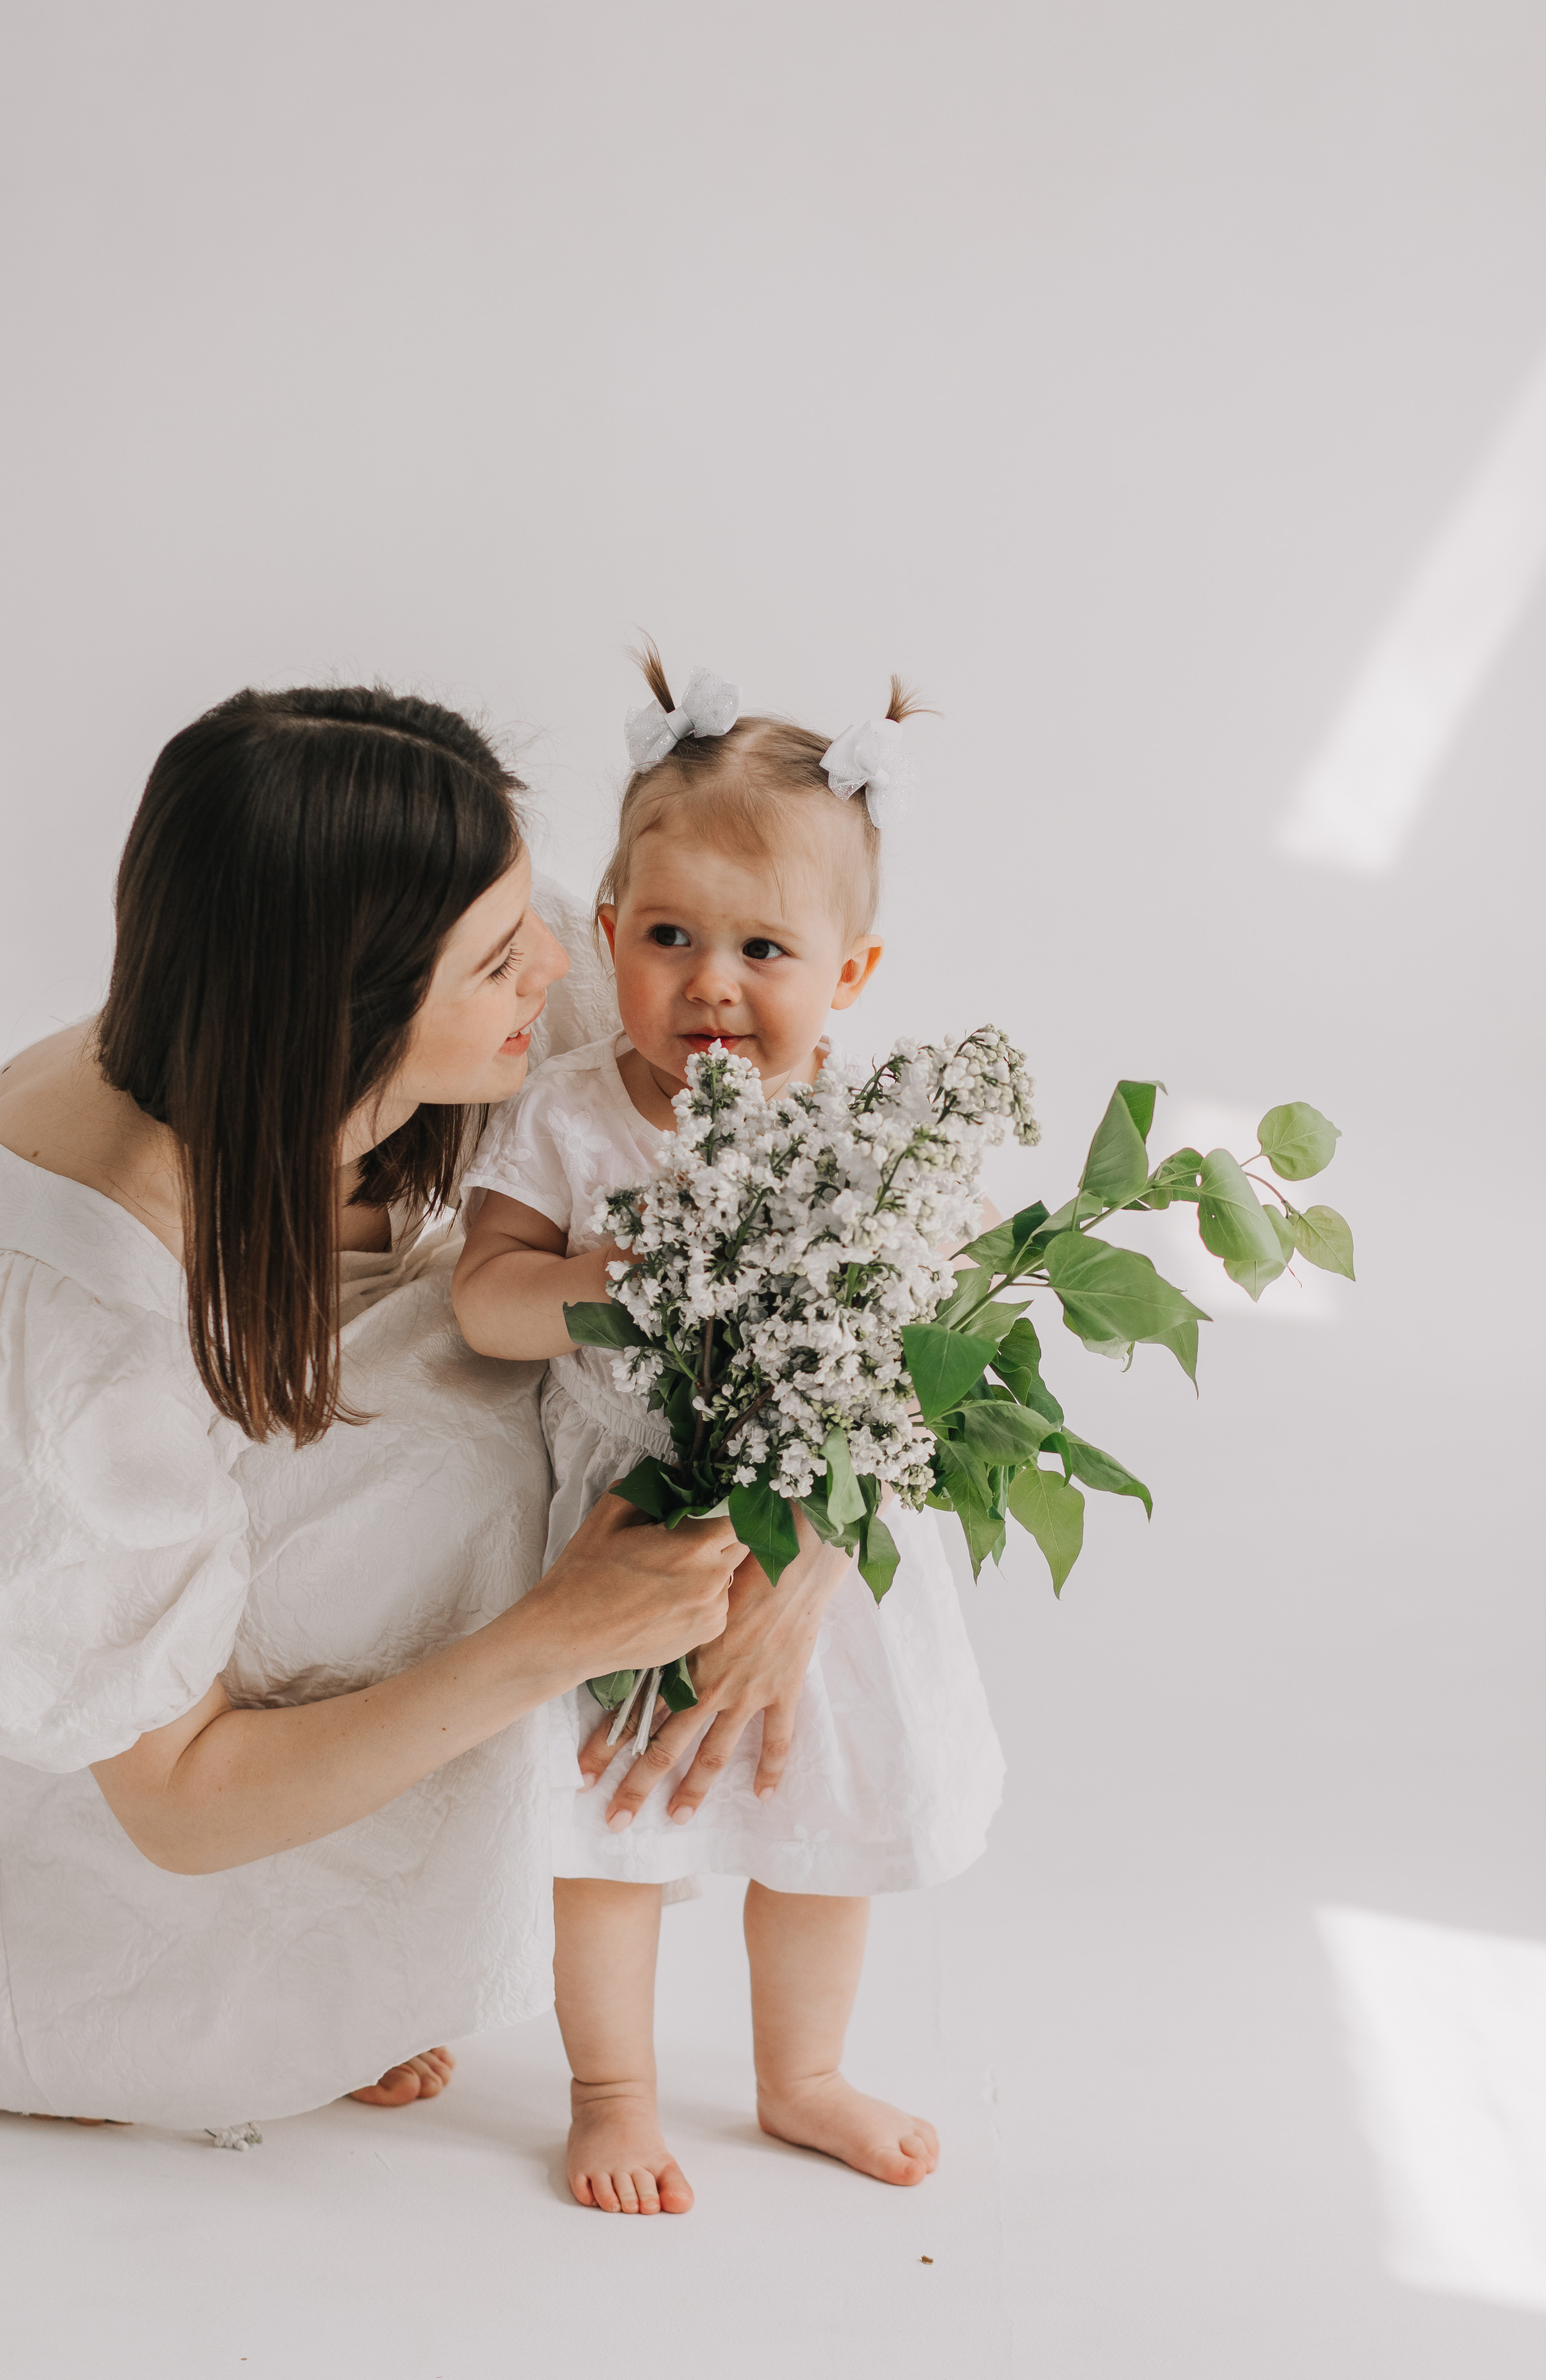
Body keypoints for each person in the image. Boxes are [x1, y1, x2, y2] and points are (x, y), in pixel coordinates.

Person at [0, 682, 870, 2131]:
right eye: (502, 960)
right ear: (349, 1015)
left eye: (534, 915)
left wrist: (806, 1536)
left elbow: (839, 1192)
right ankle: (289, 1968)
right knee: (446, 1462)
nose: (562, 959)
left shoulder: (475, 968)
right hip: (128, 1857)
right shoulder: (72, 1326)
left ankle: (380, 1936)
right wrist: (562, 1633)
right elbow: (174, 1799)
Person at [452, 647, 1005, 2216]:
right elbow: (483, 1303)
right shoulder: (571, 1115)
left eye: (764, 947)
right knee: (604, 1832)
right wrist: (610, 1280)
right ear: (607, 935)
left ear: (850, 974)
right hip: (623, 1540)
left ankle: (801, 2075)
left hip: (809, 1544)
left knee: (817, 1822)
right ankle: (610, 2091)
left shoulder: (866, 1136)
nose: (711, 983)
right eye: (670, 938)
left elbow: (947, 1340)